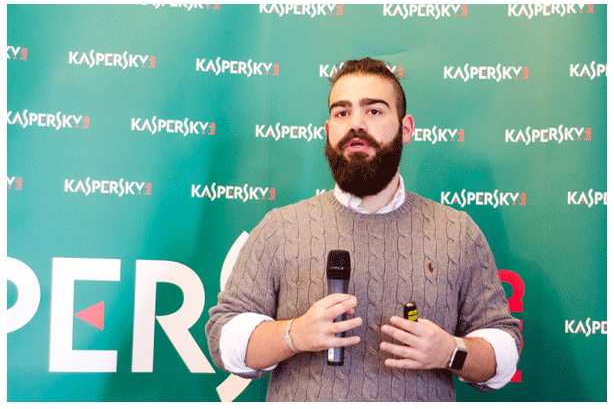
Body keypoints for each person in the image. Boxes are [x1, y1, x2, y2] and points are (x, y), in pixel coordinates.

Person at [206, 58, 521, 402]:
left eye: (374, 111)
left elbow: (504, 352)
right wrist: (294, 335)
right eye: (342, 112)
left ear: (406, 128)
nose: (356, 123)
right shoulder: (280, 228)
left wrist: (451, 352)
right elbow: (224, 340)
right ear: (329, 130)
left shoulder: (456, 232)